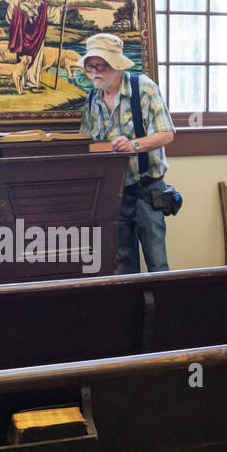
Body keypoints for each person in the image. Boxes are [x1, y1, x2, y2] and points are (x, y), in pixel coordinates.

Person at [78, 33, 176, 273]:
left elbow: (167, 134)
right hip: (114, 194)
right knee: (123, 264)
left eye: (100, 66)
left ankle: (163, 310)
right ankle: (132, 311)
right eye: (91, 66)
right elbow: (86, 144)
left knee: (157, 262)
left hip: (147, 190)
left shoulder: (143, 88)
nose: (94, 73)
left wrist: (133, 145)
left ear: (117, 65)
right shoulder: (92, 100)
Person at [6, 0, 54, 91]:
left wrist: (61, 11)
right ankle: (21, 82)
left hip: (38, 32)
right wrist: (24, 13)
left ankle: (32, 84)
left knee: (37, 57)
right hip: (23, 31)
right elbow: (12, 11)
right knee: (23, 58)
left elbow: (47, 13)